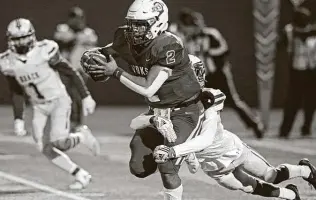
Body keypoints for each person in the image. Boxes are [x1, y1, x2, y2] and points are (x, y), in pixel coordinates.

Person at [133, 55, 316, 200]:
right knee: (248, 187)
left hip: (230, 150)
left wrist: (175, 152)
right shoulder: (169, 104)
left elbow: (205, 138)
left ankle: (305, 170)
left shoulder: (208, 98)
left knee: (270, 176)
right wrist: (154, 121)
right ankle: (291, 195)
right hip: (213, 166)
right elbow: (137, 122)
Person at [81, 0, 205, 199]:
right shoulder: (124, 36)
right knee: (139, 168)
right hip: (156, 112)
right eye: (131, 23)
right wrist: (94, 57)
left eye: (140, 24)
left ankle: (181, 159)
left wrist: (115, 72)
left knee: (165, 161)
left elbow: (149, 88)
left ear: (158, 23)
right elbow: (109, 50)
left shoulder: (168, 44)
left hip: (185, 111)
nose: (133, 29)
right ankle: (182, 149)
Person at [0, 18, 100, 189]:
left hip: (59, 101)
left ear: (31, 36)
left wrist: (86, 96)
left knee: (60, 142)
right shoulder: (8, 61)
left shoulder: (45, 50)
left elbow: (71, 72)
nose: (21, 42)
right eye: (17, 38)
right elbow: (16, 91)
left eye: (24, 37)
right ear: (11, 40)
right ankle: (80, 174)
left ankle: (81, 135)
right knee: (44, 148)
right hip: (39, 106)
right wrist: (18, 118)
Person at [169, 8, 265, 138]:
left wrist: (208, 52)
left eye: (190, 26)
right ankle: (199, 131)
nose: (188, 29)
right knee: (196, 104)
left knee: (233, 101)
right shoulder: (186, 38)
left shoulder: (211, 34)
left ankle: (254, 124)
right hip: (201, 77)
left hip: (218, 74)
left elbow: (224, 49)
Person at [54, 6, 98, 131]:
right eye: (74, 17)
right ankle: (65, 122)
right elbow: (60, 43)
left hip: (80, 70)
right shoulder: (63, 29)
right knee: (64, 97)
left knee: (77, 96)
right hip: (65, 69)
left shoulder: (88, 32)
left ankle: (77, 123)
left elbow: (93, 47)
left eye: (79, 18)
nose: (77, 20)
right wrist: (75, 37)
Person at [279, 6, 316, 138]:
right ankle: (285, 130)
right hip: (296, 71)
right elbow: (281, 43)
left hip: (312, 72)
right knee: (292, 102)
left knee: (311, 102)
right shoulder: (289, 31)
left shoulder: (313, 31)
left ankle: (306, 128)